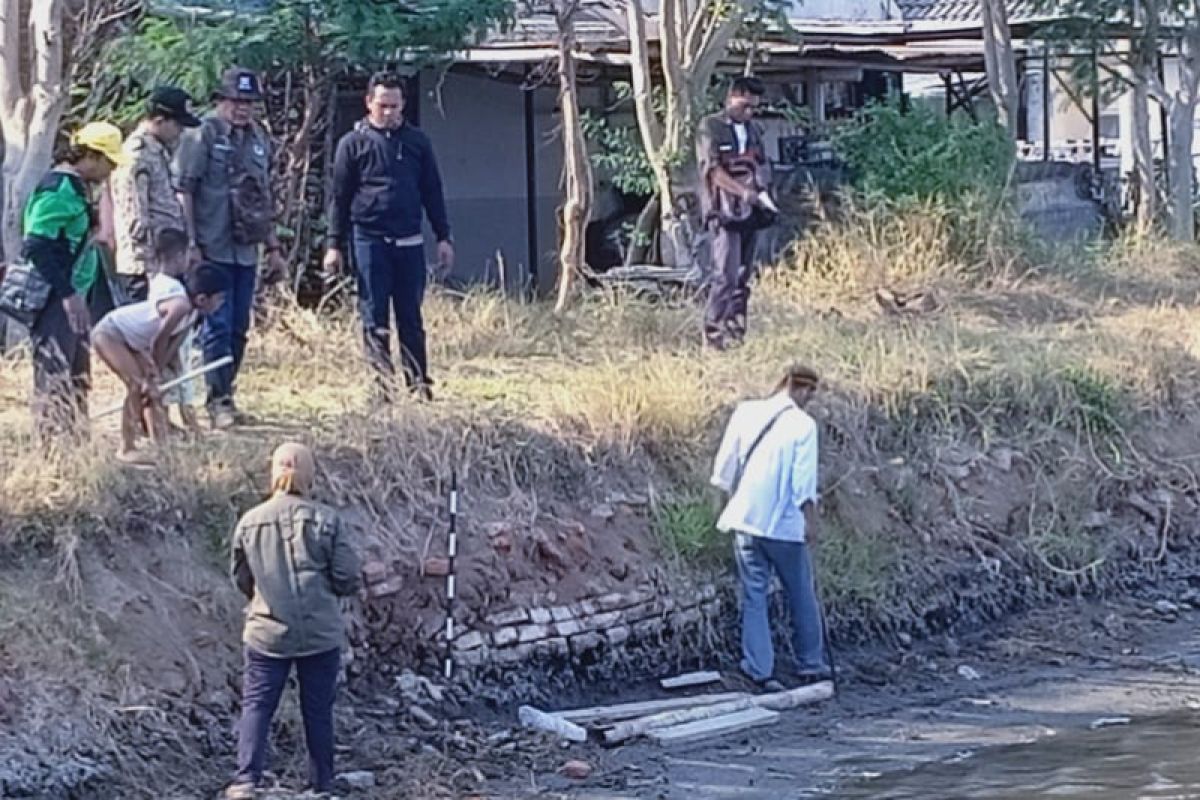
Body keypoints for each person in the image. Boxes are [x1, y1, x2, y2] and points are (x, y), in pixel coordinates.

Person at [226, 443, 361, 800]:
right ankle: (322, 784)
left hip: (266, 632)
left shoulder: (249, 521)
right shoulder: (328, 520)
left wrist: (262, 598)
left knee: (257, 704)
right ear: (310, 475)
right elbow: (348, 577)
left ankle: (245, 781)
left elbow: (241, 578)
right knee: (317, 709)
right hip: (320, 633)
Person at [324, 71, 454, 403]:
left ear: (403, 105)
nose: (389, 112)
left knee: (410, 316)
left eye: (395, 106)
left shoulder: (417, 142)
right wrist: (334, 245)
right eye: (382, 105)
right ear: (369, 103)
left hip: (409, 240)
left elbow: (432, 191)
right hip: (369, 240)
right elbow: (339, 196)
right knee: (374, 315)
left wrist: (443, 236)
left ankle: (418, 384)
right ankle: (381, 387)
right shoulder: (352, 144)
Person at [711, 365, 832, 691]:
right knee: (801, 593)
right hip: (784, 525)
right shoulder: (803, 425)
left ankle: (758, 668)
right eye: (810, 392)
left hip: (746, 520)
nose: (810, 400)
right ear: (799, 388)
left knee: (754, 594)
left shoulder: (746, 412)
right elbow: (802, 483)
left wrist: (728, 501)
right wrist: (811, 521)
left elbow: (724, 468)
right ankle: (810, 662)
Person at [176, 67, 286, 429]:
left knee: (240, 327)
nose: (242, 109)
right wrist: (191, 243)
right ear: (221, 100)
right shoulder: (202, 134)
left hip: (246, 248)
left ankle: (228, 394)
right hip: (212, 246)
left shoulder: (259, 139)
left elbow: (263, 196)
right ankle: (216, 400)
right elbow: (185, 190)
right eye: (236, 101)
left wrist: (273, 247)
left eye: (249, 102)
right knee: (216, 327)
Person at [22, 121, 127, 440]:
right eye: (108, 162)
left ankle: (76, 443)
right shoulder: (59, 188)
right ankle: (54, 452)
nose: (109, 171)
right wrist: (68, 294)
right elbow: (36, 244)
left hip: (75, 295)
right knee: (54, 376)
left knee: (77, 374)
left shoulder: (78, 187)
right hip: (56, 297)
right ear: (91, 156)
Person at [91, 251, 227, 463]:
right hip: (111, 333)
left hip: (135, 342)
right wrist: (150, 374)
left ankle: (162, 449)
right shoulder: (180, 306)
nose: (221, 304)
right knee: (136, 386)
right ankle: (126, 447)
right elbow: (159, 340)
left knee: (155, 393)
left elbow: (172, 347)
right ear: (202, 298)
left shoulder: (192, 314)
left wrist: (156, 377)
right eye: (219, 299)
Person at [696, 76, 775, 350]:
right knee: (725, 276)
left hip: (751, 212)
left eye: (754, 107)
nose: (750, 112)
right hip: (723, 212)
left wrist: (761, 189)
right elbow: (713, 171)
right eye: (745, 106)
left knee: (743, 276)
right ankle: (713, 337)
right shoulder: (711, 127)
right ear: (732, 98)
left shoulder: (755, 130)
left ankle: (736, 334)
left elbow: (762, 164)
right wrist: (743, 192)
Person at [110, 86, 201, 304]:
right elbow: (135, 217)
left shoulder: (159, 150)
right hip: (146, 265)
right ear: (159, 120)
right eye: (177, 124)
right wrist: (154, 263)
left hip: (164, 263)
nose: (180, 131)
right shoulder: (137, 154)